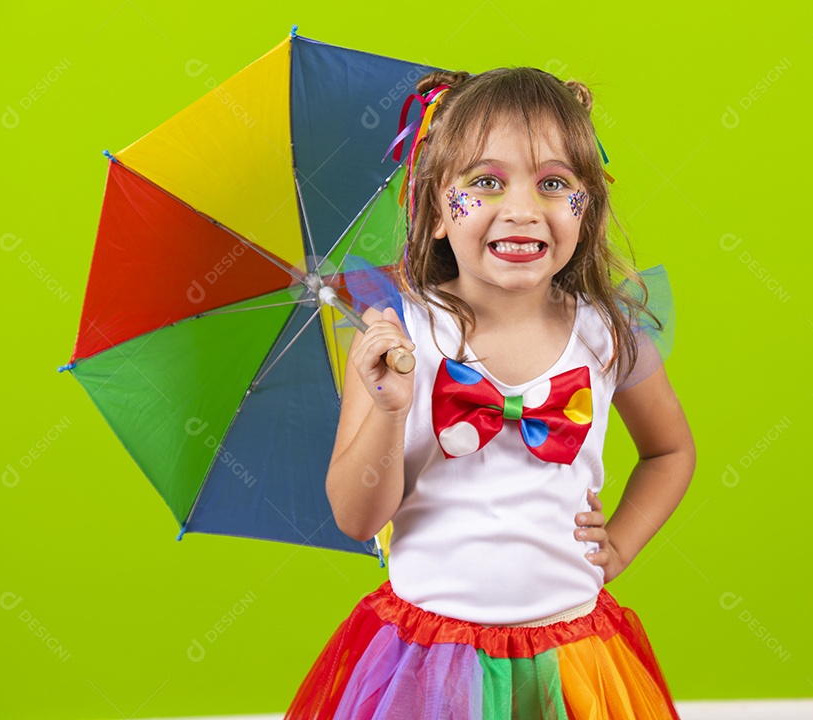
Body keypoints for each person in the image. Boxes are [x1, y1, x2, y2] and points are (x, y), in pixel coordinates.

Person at [284, 66, 696, 719]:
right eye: (485, 182)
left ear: (587, 208)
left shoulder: (607, 334)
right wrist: (390, 409)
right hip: (424, 662)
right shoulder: (399, 333)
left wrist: (622, 539)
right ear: (438, 209)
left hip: (574, 657)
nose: (523, 208)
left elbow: (670, 451)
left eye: (555, 183)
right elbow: (357, 519)